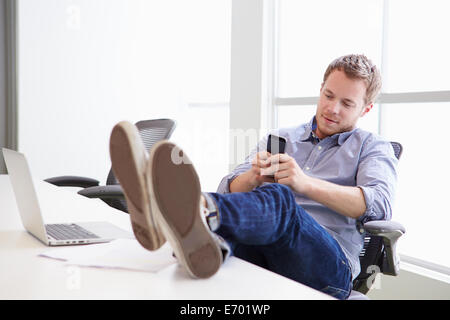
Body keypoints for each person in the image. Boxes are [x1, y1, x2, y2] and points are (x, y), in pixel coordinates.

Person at [109, 54, 397, 300]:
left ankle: (178, 212)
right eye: (329, 96)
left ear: (366, 108)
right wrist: (254, 176)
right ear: (320, 89)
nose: (332, 108)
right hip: (267, 250)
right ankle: (202, 242)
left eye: (347, 103)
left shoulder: (372, 146)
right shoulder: (283, 137)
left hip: (329, 267)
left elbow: (378, 204)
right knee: (247, 210)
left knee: (280, 198)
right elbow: (230, 187)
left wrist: (304, 183)